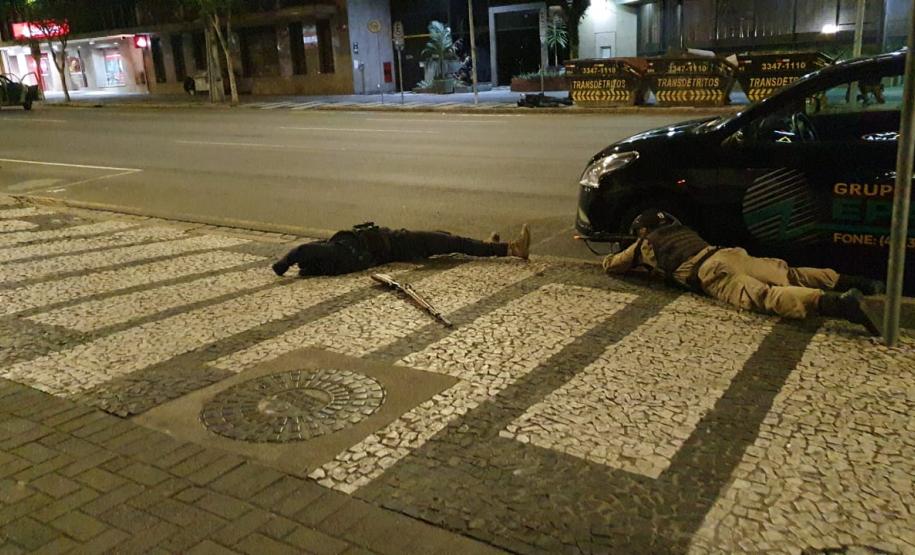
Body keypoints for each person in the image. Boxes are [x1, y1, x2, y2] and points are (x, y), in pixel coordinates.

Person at [602, 210, 885, 335]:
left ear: (643, 230)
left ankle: (837, 304)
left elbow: (613, 265)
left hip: (712, 271)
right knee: (789, 274)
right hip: (729, 253)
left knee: (764, 296)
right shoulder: (683, 230)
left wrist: (625, 254)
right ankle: (861, 283)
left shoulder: (645, 244)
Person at [273, 222, 531, 277]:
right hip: (399, 243)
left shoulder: (333, 257)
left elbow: (308, 253)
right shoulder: (335, 254)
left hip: (397, 245)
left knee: (445, 237)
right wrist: (283, 264)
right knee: (451, 241)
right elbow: (302, 250)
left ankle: (487, 246)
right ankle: (511, 249)